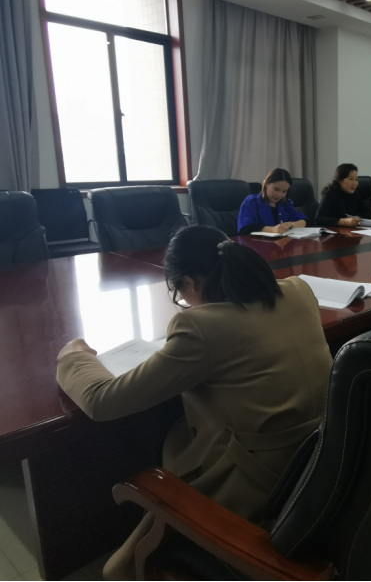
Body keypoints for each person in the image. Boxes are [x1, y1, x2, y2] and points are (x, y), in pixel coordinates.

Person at [55, 226, 332, 580]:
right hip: (318, 464)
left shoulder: (200, 326)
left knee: (116, 571)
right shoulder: (299, 290)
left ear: (189, 283)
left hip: (257, 483)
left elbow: (102, 401)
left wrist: (74, 356)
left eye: (179, 293)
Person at [238, 168, 308, 235]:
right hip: (257, 242)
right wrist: (271, 230)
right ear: (266, 184)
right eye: (276, 189)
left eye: (284, 191)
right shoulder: (251, 202)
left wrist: (291, 224)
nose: (279, 195)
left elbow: (303, 221)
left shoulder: (285, 204)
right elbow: (244, 229)